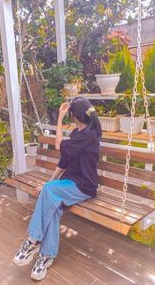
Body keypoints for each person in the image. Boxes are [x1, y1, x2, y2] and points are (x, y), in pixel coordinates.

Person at [13, 97, 102, 281]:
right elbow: (64, 161)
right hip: (69, 183)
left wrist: (59, 119)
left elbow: (58, 146)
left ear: (73, 115)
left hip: (84, 186)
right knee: (52, 205)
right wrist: (49, 182)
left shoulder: (89, 135)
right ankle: (46, 256)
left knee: (50, 194)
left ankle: (33, 241)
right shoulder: (78, 133)